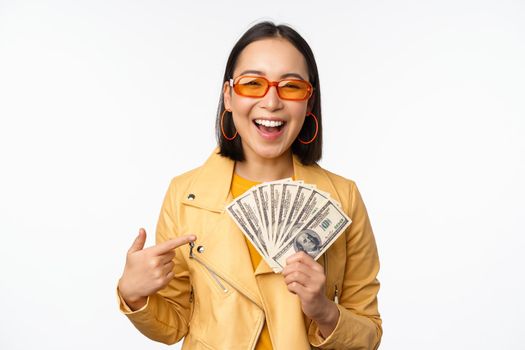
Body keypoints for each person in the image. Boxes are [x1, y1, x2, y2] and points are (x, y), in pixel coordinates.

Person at [117, 21, 382, 349]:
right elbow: (174, 324)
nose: (271, 102)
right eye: (253, 83)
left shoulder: (342, 198)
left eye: (291, 86)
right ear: (228, 96)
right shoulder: (185, 195)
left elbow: (369, 333)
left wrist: (324, 312)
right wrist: (133, 294)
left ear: (309, 102)